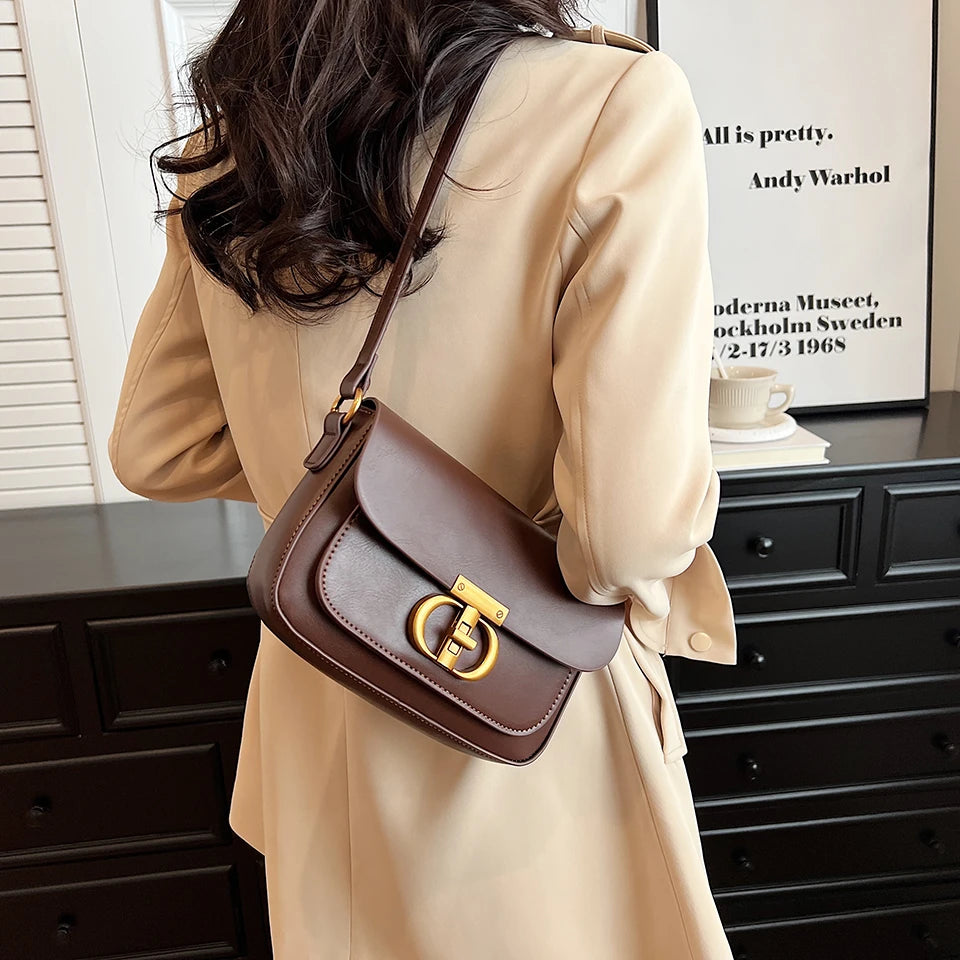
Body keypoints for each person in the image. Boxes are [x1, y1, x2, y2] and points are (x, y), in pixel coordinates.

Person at [108, 4, 737, 957]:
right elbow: (629, 533)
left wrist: (346, 506)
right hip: (512, 693)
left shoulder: (242, 129)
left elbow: (157, 446)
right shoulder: (610, 101)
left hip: (318, 691)